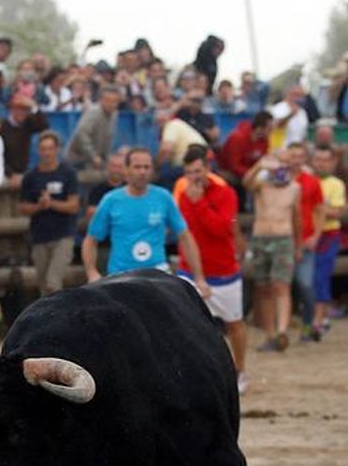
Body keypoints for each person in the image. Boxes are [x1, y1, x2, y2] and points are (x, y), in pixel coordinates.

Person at [82, 147, 209, 294]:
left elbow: (185, 236)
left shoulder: (163, 197)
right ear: (126, 170)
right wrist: (91, 272)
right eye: (137, 167)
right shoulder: (111, 200)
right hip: (121, 277)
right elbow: (91, 240)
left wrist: (199, 278)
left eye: (146, 167)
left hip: (158, 276)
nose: (142, 172)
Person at [172, 145, 247, 390]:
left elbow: (221, 229)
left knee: (234, 323)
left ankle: (239, 370)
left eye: (197, 170)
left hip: (223, 269)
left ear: (207, 168)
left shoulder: (225, 192)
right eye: (189, 172)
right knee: (186, 326)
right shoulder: (182, 193)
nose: (194, 176)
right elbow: (183, 232)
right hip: (190, 270)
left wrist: (200, 204)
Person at [242, 153, 301, 352]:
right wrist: (260, 166)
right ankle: (270, 333)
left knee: (281, 284)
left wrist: (298, 245)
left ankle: (282, 330)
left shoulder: (294, 188)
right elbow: (246, 183)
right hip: (261, 237)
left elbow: (297, 218)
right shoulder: (262, 184)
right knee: (263, 287)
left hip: (283, 238)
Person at [18, 131, 80, 296]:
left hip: (63, 236)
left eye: (50, 148)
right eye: (43, 149)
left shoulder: (68, 173)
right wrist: (39, 206)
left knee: (53, 282)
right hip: (39, 236)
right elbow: (23, 207)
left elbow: (74, 206)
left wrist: (50, 203)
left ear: (57, 149)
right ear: (38, 150)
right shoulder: (31, 177)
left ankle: (60, 318)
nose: (47, 153)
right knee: (43, 285)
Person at [284, 142, 324, 339]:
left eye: (300, 156)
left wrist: (316, 235)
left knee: (306, 285)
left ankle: (308, 324)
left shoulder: (311, 181)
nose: (296, 160)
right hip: (283, 238)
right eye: (293, 156)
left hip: (306, 239)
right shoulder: (279, 179)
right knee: (282, 285)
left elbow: (320, 209)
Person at [310, 145, 345, 340]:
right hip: (307, 233)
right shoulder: (307, 180)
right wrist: (322, 207)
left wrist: (316, 207)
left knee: (321, 276)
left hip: (328, 234)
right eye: (318, 159)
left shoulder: (335, 184)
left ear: (332, 163)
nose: (321, 163)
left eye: (325, 160)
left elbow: (337, 211)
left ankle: (318, 319)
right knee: (308, 278)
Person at [66, 85, 120, 170]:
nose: (111, 104)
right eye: (108, 100)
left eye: (114, 101)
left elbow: (109, 137)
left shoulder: (114, 114)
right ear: (101, 100)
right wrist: (93, 156)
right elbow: (81, 134)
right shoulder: (93, 112)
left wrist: (106, 158)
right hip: (78, 159)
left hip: (95, 159)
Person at [0, 93, 48, 185]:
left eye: (25, 110)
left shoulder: (28, 124)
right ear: (12, 110)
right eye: (19, 109)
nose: (22, 113)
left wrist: (34, 106)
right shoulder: (1, 127)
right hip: (4, 174)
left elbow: (43, 126)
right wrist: (11, 174)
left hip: (22, 172)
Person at [84, 152, 126, 226]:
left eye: (120, 167)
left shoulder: (131, 189)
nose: (116, 170)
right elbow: (91, 214)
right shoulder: (97, 190)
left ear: (125, 169)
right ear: (108, 167)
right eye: (114, 166)